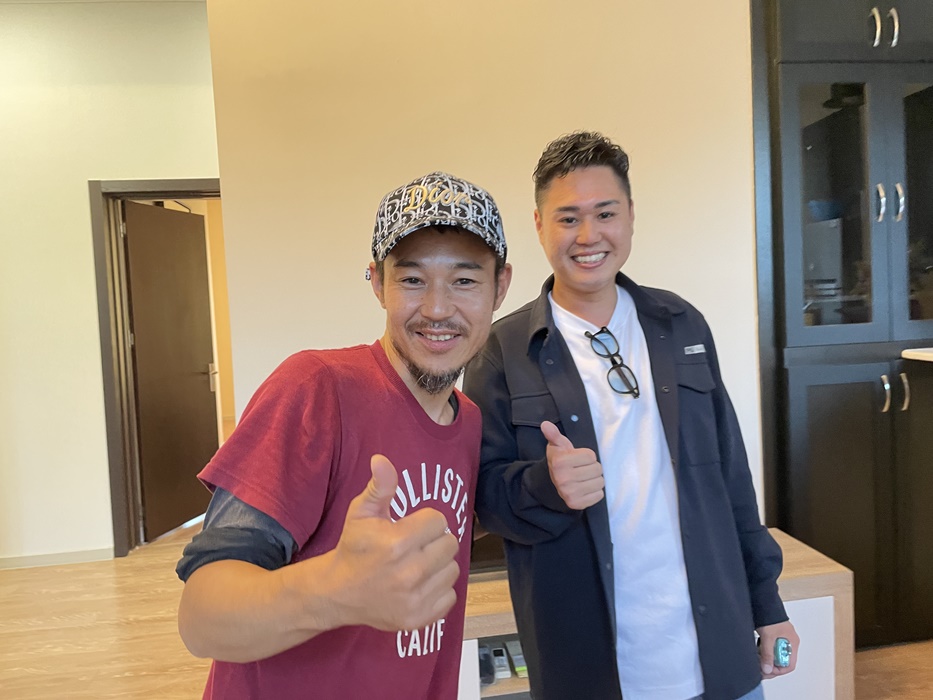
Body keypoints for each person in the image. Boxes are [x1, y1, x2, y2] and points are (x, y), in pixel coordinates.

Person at [462, 132, 799, 700]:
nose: (588, 236)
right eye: (568, 218)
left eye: (605, 213)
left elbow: (732, 480)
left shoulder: (682, 324)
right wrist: (545, 485)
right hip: (586, 665)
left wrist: (769, 607)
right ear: (539, 225)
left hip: (719, 654)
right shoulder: (502, 350)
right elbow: (481, 501)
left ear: (631, 215)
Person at [175, 171, 512, 699]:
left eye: (464, 281)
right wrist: (336, 590)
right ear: (378, 283)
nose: (437, 308)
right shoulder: (315, 389)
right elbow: (203, 617)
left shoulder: (468, 422)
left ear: (500, 287)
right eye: (412, 279)